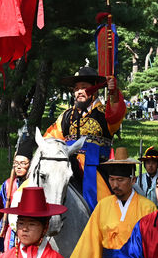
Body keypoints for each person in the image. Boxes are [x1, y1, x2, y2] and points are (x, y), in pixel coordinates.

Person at [69, 147, 156, 258]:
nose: (115, 184)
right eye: (111, 179)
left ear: (133, 180)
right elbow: (89, 242)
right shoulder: (103, 205)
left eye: (120, 180)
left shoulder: (148, 208)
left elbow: (152, 249)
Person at [44, 66, 126, 211]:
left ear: (95, 89)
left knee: (104, 205)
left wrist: (113, 93)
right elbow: (50, 138)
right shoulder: (66, 115)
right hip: (66, 164)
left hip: (96, 168)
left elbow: (116, 113)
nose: (79, 92)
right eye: (76, 88)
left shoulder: (104, 114)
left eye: (84, 87)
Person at [0, 139, 36, 245]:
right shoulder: (8, 184)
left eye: (23, 163)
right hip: (11, 232)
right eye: (16, 163)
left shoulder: (34, 185)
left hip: (30, 232)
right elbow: (2, 210)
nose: (18, 166)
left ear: (30, 164)